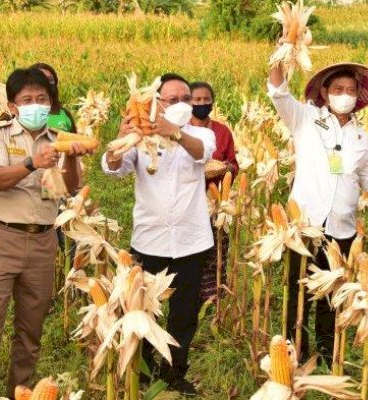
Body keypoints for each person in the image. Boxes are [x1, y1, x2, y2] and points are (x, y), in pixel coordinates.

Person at [0, 67, 92, 399]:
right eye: (28, 99)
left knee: (30, 332)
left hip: (43, 241)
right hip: (0, 239)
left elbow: (69, 189)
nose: (36, 105)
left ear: (51, 103)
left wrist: (71, 160)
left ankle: (20, 393)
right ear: (14, 106)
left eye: (42, 99)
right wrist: (32, 162)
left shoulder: (57, 139)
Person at [268, 61, 368, 366]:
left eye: (350, 90)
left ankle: (325, 349)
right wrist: (282, 54)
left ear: (358, 95)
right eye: (337, 89)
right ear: (324, 92)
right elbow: (279, 93)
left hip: (341, 228)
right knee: (299, 290)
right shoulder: (305, 118)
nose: (344, 95)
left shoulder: (361, 136)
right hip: (304, 225)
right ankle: (295, 350)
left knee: (333, 295)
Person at [102, 73, 216, 395]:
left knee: (184, 315)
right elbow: (113, 169)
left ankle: (176, 374)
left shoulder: (199, 134)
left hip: (192, 242)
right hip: (149, 241)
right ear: (156, 103)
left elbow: (202, 154)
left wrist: (176, 133)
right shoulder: (140, 138)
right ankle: (148, 372)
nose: (181, 104)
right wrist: (121, 138)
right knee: (147, 311)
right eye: (173, 99)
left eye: (186, 99)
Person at [189, 81, 239, 303]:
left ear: (212, 102)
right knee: (191, 250)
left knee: (216, 247)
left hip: (217, 201)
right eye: (196, 100)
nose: (201, 103)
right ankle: (190, 291)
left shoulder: (222, 131)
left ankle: (214, 294)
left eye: (206, 100)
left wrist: (226, 168)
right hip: (188, 200)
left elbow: (233, 164)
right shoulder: (181, 132)